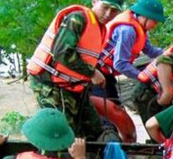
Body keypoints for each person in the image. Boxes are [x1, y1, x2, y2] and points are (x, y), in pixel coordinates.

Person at [28, 0, 124, 141]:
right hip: (51, 86)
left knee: (95, 130)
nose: (108, 14)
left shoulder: (99, 28)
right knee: (62, 135)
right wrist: (92, 72)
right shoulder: (77, 18)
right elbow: (62, 52)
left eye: (114, 10)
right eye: (105, 7)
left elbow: (85, 57)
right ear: (95, 1)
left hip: (75, 88)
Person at [94, 0, 166, 102]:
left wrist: (167, 52)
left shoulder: (140, 27)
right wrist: (141, 75)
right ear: (144, 16)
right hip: (96, 73)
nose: (155, 25)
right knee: (106, 111)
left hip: (107, 75)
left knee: (114, 106)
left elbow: (149, 50)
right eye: (154, 21)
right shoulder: (128, 31)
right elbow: (120, 64)